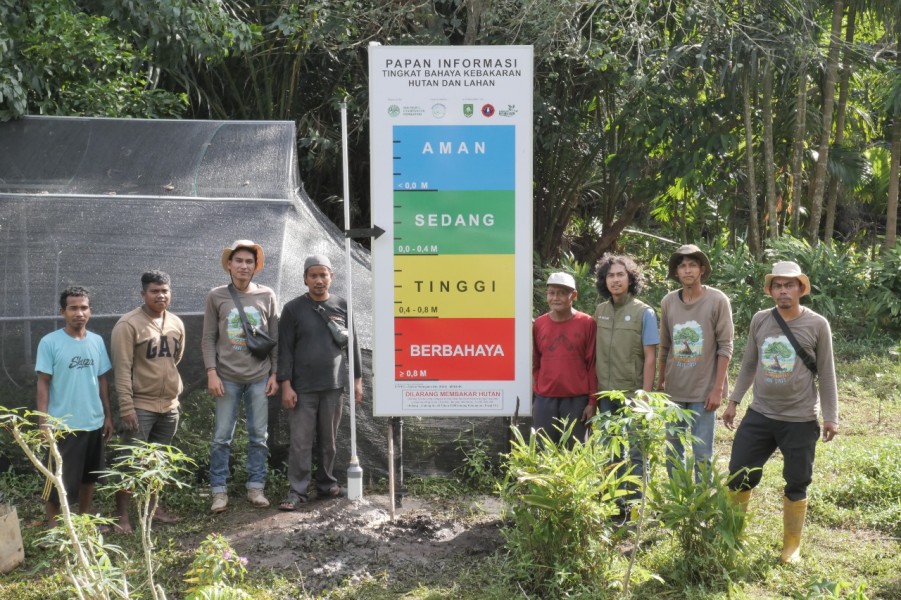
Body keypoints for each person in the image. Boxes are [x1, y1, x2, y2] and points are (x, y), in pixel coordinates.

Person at [723, 261, 838, 564]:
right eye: (777, 285)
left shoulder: (817, 324)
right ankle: (733, 534)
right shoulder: (761, 320)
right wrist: (734, 400)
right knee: (739, 473)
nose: (783, 290)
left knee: (797, 480)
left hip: (800, 419)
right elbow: (748, 363)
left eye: (789, 285)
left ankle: (791, 546)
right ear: (771, 290)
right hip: (760, 413)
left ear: (801, 288)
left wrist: (831, 416)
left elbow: (826, 373)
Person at [277, 255, 362, 510]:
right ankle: (297, 492)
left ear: (331, 277)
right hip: (301, 389)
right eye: (313, 275)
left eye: (323, 275)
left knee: (329, 441)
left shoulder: (342, 305)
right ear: (305, 278)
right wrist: (286, 385)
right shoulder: (292, 309)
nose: (318, 280)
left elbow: (353, 345)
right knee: (301, 442)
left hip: (333, 386)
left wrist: (356, 380)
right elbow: (285, 350)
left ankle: (327, 485)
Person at [202, 240, 279, 513]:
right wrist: (212, 373)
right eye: (239, 261)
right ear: (229, 265)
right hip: (227, 377)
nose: (244, 266)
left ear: (255, 266)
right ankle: (218, 491)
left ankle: (256, 487)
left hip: (259, 376)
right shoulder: (216, 296)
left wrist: (275, 374)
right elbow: (209, 338)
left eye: (249, 261)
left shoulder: (267, 295)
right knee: (222, 436)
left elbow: (275, 338)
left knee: (259, 436)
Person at [111, 270, 185, 533]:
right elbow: (122, 369)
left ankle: (154, 509)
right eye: (154, 291)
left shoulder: (176, 322)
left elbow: (175, 360)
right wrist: (127, 407)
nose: (161, 295)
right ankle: (122, 517)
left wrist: (171, 394)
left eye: (165, 290)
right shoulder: (128, 325)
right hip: (140, 407)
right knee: (130, 462)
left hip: (169, 407)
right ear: (143, 293)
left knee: (158, 462)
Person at [35, 286, 113, 527]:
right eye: (73, 308)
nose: (79, 313)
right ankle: (54, 527)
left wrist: (108, 416)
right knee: (58, 480)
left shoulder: (97, 341)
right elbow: (43, 383)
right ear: (63, 312)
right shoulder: (50, 342)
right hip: (63, 426)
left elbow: (101, 380)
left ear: (90, 310)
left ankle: (84, 520)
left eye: (84, 307)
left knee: (89, 477)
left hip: (93, 422)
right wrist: (44, 421)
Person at [656, 245, 733, 474]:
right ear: (676, 272)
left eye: (692, 265)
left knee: (701, 453)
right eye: (682, 266)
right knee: (672, 451)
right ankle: (677, 499)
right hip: (674, 390)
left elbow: (726, 346)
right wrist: (661, 383)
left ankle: (700, 505)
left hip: (704, 391)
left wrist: (717, 389)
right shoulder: (668, 302)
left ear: (702, 269)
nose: (687, 271)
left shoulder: (717, 300)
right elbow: (665, 346)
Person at [594, 254, 659, 505]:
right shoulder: (600, 310)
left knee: (636, 450)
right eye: (610, 275)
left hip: (632, 393)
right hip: (606, 393)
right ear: (604, 280)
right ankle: (615, 502)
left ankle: (636, 503)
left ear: (631, 279)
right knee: (612, 450)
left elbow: (650, 357)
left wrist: (645, 394)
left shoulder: (644, 312)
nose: (615, 280)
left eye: (621, 274)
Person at [531, 272, 597, 446]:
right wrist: (538, 390)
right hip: (545, 398)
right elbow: (536, 361)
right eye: (551, 293)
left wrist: (592, 401)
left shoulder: (587, 323)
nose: (555, 298)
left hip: (577, 400)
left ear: (573, 295)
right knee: (544, 451)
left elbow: (592, 364)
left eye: (561, 293)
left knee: (576, 453)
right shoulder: (539, 323)